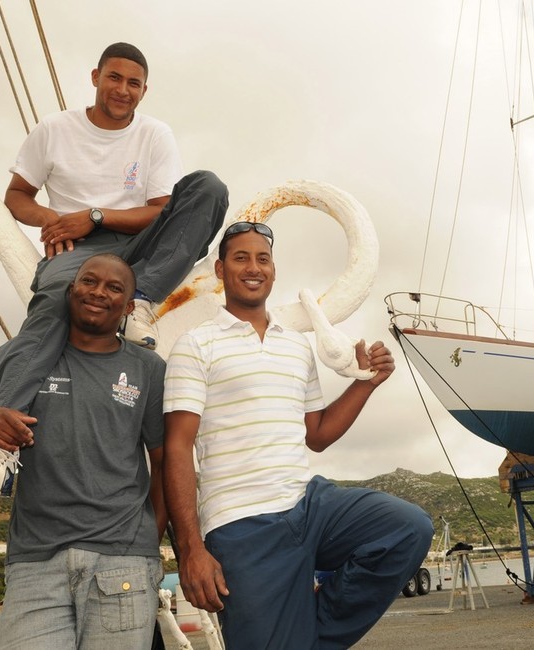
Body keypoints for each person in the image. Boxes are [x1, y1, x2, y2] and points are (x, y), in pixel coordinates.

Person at [163, 221, 433, 649]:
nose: (254, 267)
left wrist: (366, 382)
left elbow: (318, 435)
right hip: (240, 524)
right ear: (220, 270)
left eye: (263, 259)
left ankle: (308, 636)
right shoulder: (195, 345)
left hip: (309, 506)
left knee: (406, 527)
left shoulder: (296, 345)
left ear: (273, 271)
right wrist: (191, 549)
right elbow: (177, 448)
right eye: (241, 258)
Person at [0, 41, 227, 413]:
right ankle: (0, 432)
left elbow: (161, 209)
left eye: (134, 83)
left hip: (143, 242)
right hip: (79, 250)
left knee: (208, 186)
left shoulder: (155, 134)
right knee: (52, 304)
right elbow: (17, 195)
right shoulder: (54, 128)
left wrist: (95, 215)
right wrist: (52, 220)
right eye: (114, 77)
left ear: (144, 91)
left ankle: (140, 302)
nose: (122, 90)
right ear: (95, 77)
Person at [0, 253, 167, 649]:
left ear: (128, 307)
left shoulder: (148, 368)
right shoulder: (21, 358)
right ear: (71, 290)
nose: (98, 293)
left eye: (114, 287)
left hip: (122, 561)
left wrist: (144, 544)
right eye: (89, 281)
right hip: (35, 562)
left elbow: (162, 462)